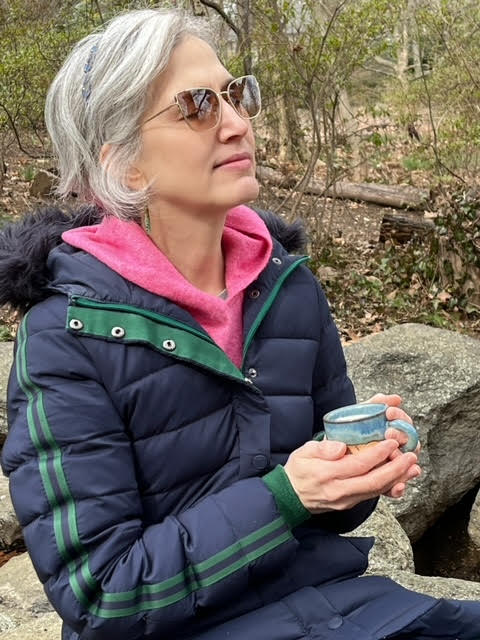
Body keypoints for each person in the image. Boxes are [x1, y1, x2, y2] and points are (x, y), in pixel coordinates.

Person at [0, 8, 478, 640]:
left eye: (236, 94)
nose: (236, 123)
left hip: (334, 606)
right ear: (126, 165)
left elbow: (332, 516)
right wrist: (287, 495)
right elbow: (101, 596)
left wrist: (363, 470)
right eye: (197, 106)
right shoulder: (68, 334)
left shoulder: (287, 287)